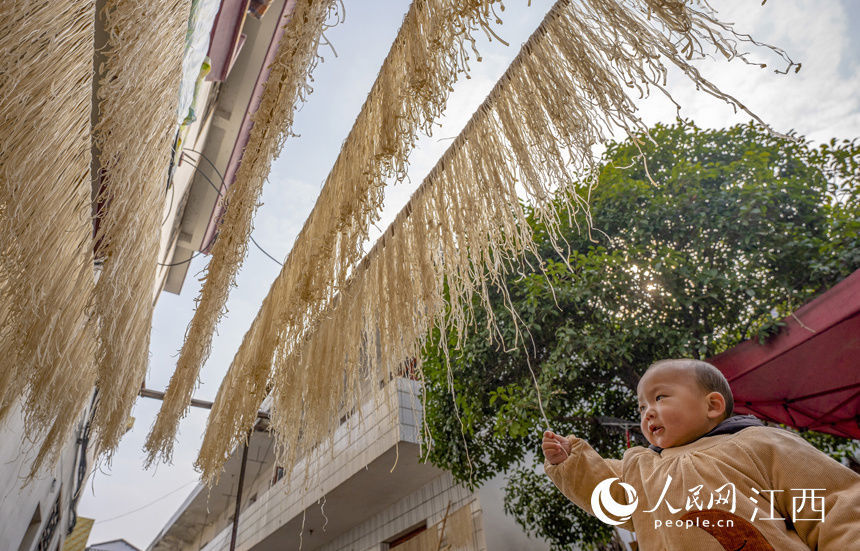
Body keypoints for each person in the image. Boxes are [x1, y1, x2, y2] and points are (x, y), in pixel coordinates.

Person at [542, 359, 860, 550]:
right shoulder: (643, 467)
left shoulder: (759, 443)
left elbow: (833, 503)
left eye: (660, 397)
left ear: (712, 405)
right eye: (641, 407)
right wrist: (572, 461)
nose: (647, 413)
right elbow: (607, 493)